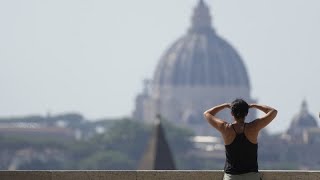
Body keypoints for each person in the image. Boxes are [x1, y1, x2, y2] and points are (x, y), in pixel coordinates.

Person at [203, 99, 277, 180]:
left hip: (232, 177)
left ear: (232, 113)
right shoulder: (253, 127)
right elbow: (273, 111)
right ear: (247, 113)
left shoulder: (225, 128)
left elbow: (207, 114)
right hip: (251, 176)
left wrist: (224, 106)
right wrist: (254, 105)